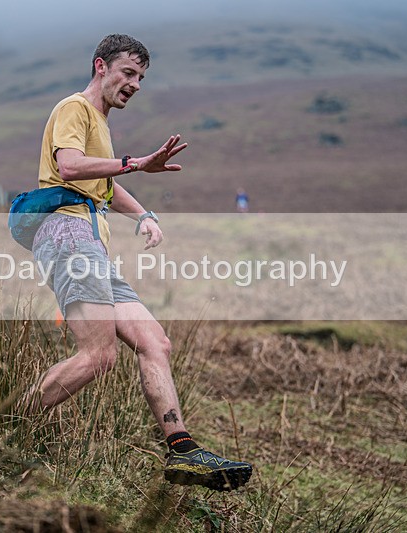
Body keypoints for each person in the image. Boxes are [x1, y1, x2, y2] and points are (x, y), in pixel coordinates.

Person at [27, 34, 252, 491]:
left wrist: (143, 214)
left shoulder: (100, 123)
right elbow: (70, 168)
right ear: (100, 67)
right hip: (69, 236)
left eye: (141, 78)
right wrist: (134, 162)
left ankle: (183, 452)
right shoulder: (75, 109)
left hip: (92, 244)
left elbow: (103, 183)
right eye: (128, 73)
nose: (135, 84)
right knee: (99, 356)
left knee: (155, 342)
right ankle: (4, 419)